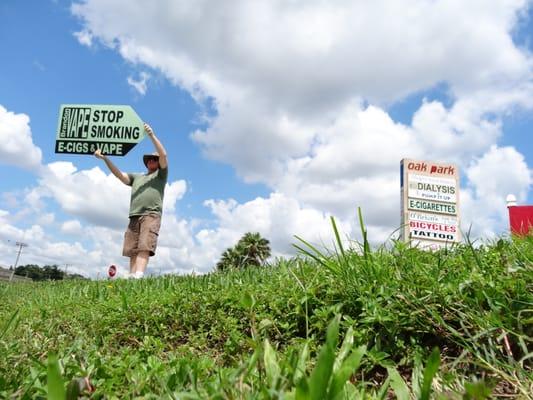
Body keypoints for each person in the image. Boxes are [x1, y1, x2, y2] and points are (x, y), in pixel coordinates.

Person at [94, 123, 168, 279]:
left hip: (151, 214)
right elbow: (120, 175)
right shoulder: (137, 177)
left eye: (154, 159)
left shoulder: (161, 175)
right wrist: (105, 159)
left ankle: (139, 275)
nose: (151, 161)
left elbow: (164, 155)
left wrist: (151, 136)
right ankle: (132, 276)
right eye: (149, 159)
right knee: (132, 248)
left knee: (144, 245)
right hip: (134, 215)